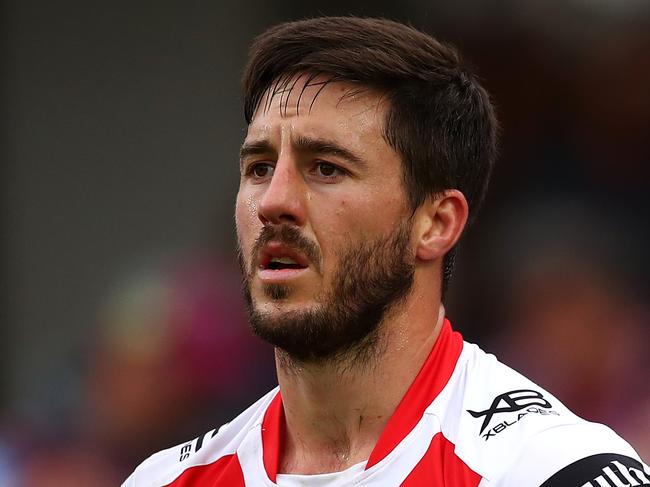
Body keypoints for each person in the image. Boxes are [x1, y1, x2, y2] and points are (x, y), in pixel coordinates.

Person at [123, 17, 649, 486]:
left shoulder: (550, 470)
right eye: (259, 167)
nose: (274, 202)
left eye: (326, 167)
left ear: (436, 224)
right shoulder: (165, 480)